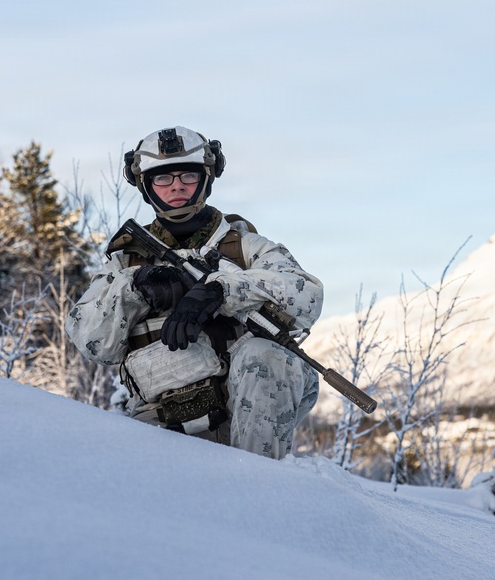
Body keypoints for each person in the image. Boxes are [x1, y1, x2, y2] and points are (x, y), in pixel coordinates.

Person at [66, 126, 323, 459]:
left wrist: (221, 290)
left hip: (243, 422)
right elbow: (92, 343)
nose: (176, 186)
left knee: (269, 357)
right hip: (159, 429)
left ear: (206, 178)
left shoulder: (245, 248)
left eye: (188, 175)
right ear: (145, 185)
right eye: (163, 178)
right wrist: (135, 287)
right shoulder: (124, 262)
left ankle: (259, 484)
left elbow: (307, 297)